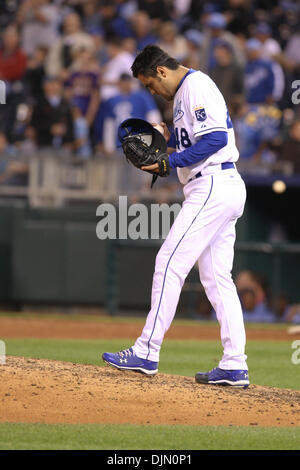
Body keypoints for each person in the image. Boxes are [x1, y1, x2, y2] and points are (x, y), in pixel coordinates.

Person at [102, 45, 250, 388]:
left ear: (162, 72)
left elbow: (214, 139)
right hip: (217, 185)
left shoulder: (196, 86)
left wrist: (171, 161)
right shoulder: (184, 96)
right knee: (217, 279)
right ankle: (234, 364)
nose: (151, 91)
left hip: (213, 184)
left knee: (169, 260)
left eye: (150, 84)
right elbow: (195, 142)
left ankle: (147, 351)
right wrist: (168, 139)